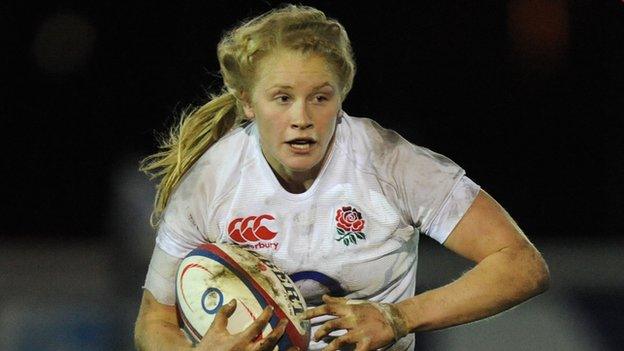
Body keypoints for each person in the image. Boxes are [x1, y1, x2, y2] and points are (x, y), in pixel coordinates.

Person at [133, 4, 550, 351]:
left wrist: (399, 317)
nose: (302, 119)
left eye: (320, 97)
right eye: (282, 98)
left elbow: (521, 264)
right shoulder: (209, 183)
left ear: (341, 97)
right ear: (247, 102)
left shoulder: (391, 164)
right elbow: (153, 321)